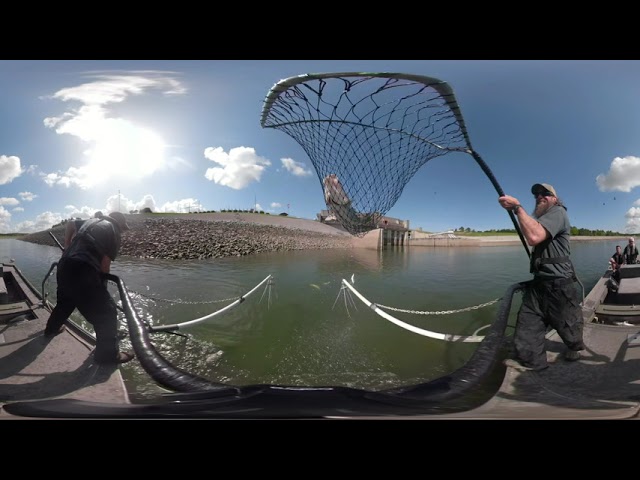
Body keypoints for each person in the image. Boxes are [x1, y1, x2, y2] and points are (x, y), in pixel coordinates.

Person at [498, 182, 585, 371]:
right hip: (538, 285)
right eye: (536, 194)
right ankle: (534, 366)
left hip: (559, 285)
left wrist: (517, 208)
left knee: (569, 327)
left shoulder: (558, 212)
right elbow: (534, 232)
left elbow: (534, 237)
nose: (539, 196)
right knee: (526, 332)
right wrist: (518, 212)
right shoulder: (543, 219)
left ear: (554, 198)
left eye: (545, 193)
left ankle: (574, 346)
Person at [43, 211, 134, 364]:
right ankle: (108, 356)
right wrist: (102, 289)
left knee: (65, 303)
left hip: (64, 265)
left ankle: (51, 329)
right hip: (82, 269)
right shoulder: (113, 230)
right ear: (118, 223)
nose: (122, 232)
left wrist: (67, 246)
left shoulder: (91, 221)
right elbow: (105, 264)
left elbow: (71, 223)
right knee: (107, 313)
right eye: (123, 229)